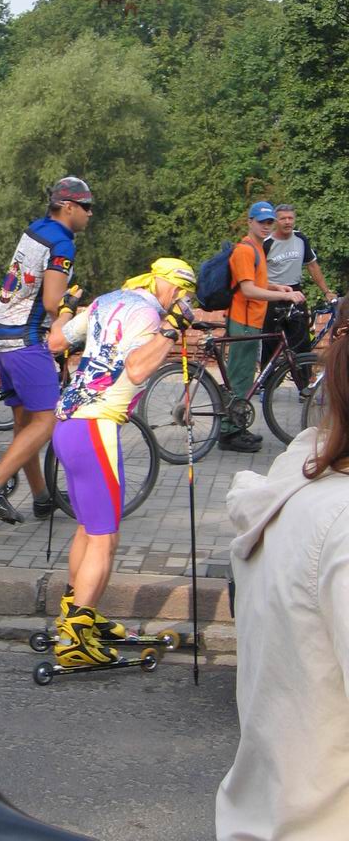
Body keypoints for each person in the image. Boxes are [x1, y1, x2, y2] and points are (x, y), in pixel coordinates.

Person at [216, 298, 349, 841]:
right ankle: (231, 414)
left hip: (266, 815)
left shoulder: (297, 482)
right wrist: (285, 296)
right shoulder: (341, 523)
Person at [46, 258, 196, 669]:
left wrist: (65, 310)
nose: (184, 302)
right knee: (104, 538)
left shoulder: (108, 300)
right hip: (96, 430)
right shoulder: (149, 316)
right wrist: (170, 330)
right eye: (185, 294)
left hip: (68, 426)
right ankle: (76, 638)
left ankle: (78, 614)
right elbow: (136, 367)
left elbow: (56, 342)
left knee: (88, 528)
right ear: (172, 288)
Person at [0, 177, 93, 524]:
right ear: (68, 207)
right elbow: (52, 302)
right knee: (47, 420)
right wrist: (71, 310)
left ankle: (42, 498)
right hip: (23, 339)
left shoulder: (37, 228)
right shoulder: (62, 243)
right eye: (86, 206)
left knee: (25, 423)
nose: (90, 213)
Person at [221, 201, 306, 453]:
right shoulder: (245, 250)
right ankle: (228, 434)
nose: (266, 226)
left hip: (252, 321)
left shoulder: (258, 247)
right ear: (250, 222)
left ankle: (237, 426)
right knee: (240, 377)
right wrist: (284, 296)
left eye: (270, 222)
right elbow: (247, 290)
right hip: (243, 321)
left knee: (245, 376)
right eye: (261, 222)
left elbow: (256, 282)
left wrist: (276, 287)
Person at [260, 202, 337, 366]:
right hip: (273, 294)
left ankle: (303, 379)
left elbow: (312, 266)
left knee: (301, 340)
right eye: (283, 219)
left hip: (295, 291)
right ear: (276, 221)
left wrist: (326, 291)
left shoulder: (300, 239)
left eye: (290, 218)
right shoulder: (266, 243)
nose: (287, 222)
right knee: (270, 341)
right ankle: (267, 379)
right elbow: (257, 275)